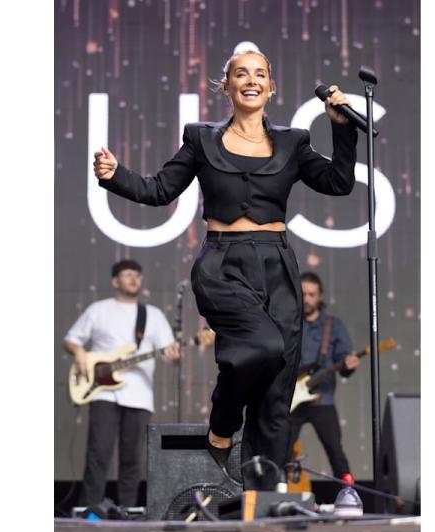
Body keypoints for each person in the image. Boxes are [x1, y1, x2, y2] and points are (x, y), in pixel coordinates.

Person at [93, 44, 357, 489]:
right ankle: (221, 426)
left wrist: (343, 130)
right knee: (262, 347)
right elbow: (160, 189)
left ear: (271, 87)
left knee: (276, 393)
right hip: (222, 264)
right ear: (227, 86)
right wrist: (115, 174)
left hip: (277, 265)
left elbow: (339, 182)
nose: (250, 80)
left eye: (259, 74)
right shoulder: (201, 138)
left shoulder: (294, 142)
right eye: (241, 74)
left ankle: (260, 497)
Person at [63, 259, 181, 507]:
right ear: (115, 281)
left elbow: (170, 353)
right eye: (128, 275)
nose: (133, 279)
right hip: (102, 392)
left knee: (132, 459)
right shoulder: (98, 310)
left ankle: (128, 512)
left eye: (137, 275)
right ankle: (90, 510)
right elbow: (71, 339)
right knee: (98, 454)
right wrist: (80, 353)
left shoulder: (153, 315)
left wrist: (175, 355)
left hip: (140, 395)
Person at [291, 272, 360, 484]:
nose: (307, 299)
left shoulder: (334, 325)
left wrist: (349, 365)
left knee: (336, 453)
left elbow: (344, 363)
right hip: (291, 400)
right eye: (303, 294)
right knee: (278, 452)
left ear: (320, 296)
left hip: (323, 399)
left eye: (312, 294)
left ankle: (349, 495)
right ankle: (275, 495)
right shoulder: (289, 323)